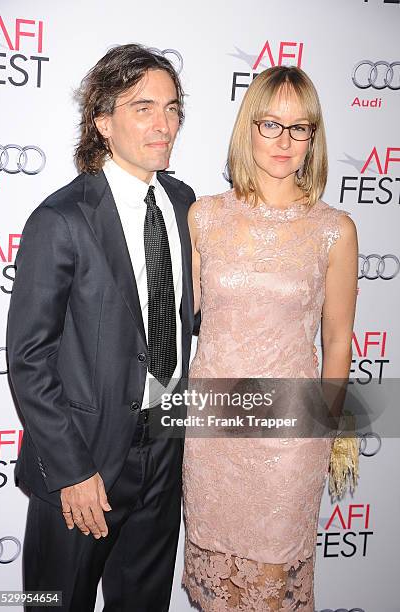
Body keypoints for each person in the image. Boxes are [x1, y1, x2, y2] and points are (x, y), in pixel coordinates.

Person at [7, 43, 195, 612]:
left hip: (165, 448)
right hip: (82, 463)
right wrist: (72, 469)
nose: (164, 124)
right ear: (103, 121)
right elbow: (29, 359)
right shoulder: (61, 219)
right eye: (143, 108)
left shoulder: (186, 204)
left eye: (171, 107)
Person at [182, 66, 358, 611]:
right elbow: (179, 322)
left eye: (299, 128)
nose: (284, 141)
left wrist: (327, 436)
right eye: (271, 124)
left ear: (314, 136)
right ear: (247, 128)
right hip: (214, 438)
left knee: (269, 590)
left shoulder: (335, 230)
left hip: (288, 441)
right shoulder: (204, 218)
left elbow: (337, 343)